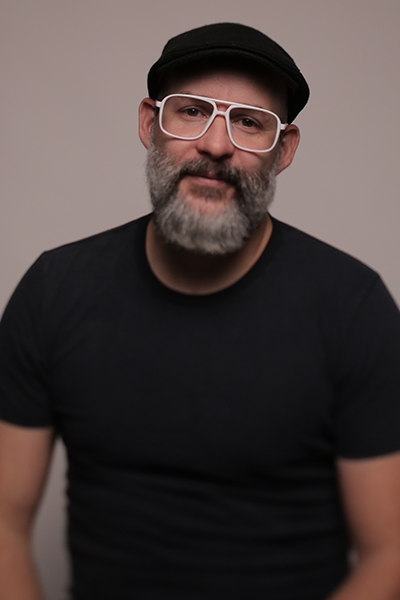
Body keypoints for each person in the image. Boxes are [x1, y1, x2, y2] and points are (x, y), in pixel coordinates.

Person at [1, 21, 400, 600]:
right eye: (192, 111)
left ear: (284, 149)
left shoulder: (353, 310)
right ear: (149, 124)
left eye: (249, 122)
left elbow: (390, 553)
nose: (215, 145)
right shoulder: (53, 291)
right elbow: (5, 525)